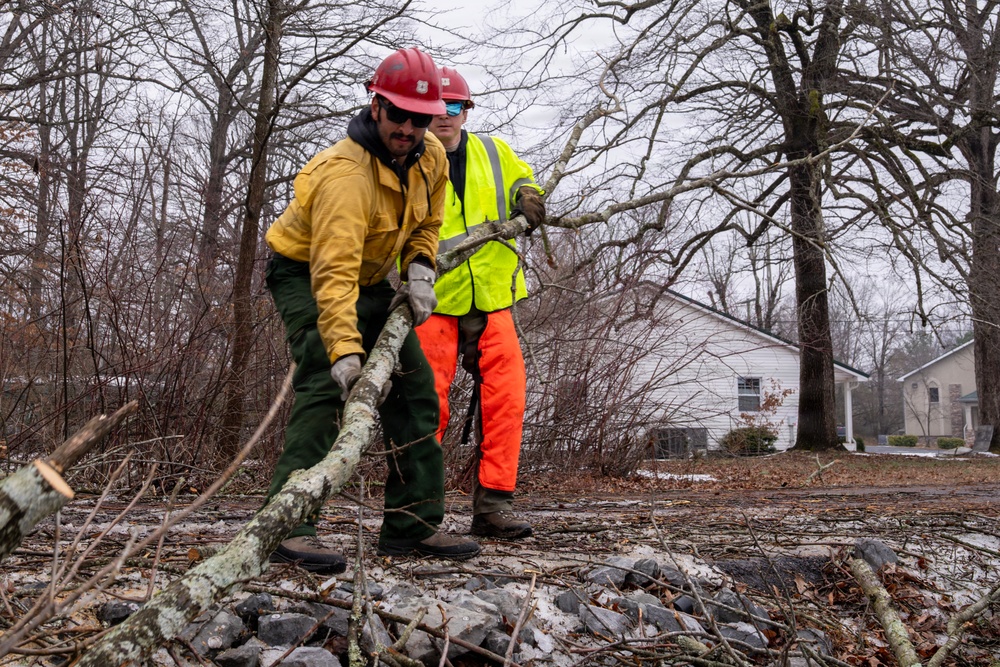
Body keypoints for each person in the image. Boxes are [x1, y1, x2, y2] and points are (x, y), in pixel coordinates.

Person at [263, 48, 481, 573]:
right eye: (399, 114)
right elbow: (332, 275)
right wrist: (343, 352)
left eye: (420, 117)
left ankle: (413, 525)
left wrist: (420, 269)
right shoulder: (345, 176)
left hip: (370, 276)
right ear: (376, 105)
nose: (408, 127)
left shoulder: (429, 157)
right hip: (306, 273)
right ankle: (287, 526)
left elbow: (428, 221)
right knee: (322, 384)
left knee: (415, 387)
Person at [416, 66, 545, 540]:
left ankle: (493, 507)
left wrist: (528, 195)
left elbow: (522, 181)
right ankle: (418, 511)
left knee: (507, 400)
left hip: (493, 296)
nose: (444, 116)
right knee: (426, 406)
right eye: (436, 108)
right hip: (432, 300)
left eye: (454, 106)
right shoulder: (407, 158)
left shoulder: (495, 151)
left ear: (466, 110)